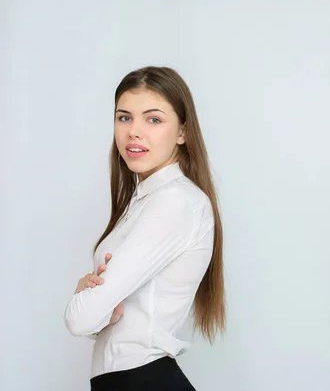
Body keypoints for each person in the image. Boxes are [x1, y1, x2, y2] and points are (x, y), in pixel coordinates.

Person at [63, 66, 225, 391]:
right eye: (124, 117)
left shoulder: (175, 202)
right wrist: (97, 307)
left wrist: (85, 300)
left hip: (144, 380)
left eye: (153, 119)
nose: (134, 132)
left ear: (182, 132)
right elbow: (103, 321)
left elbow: (80, 320)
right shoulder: (145, 201)